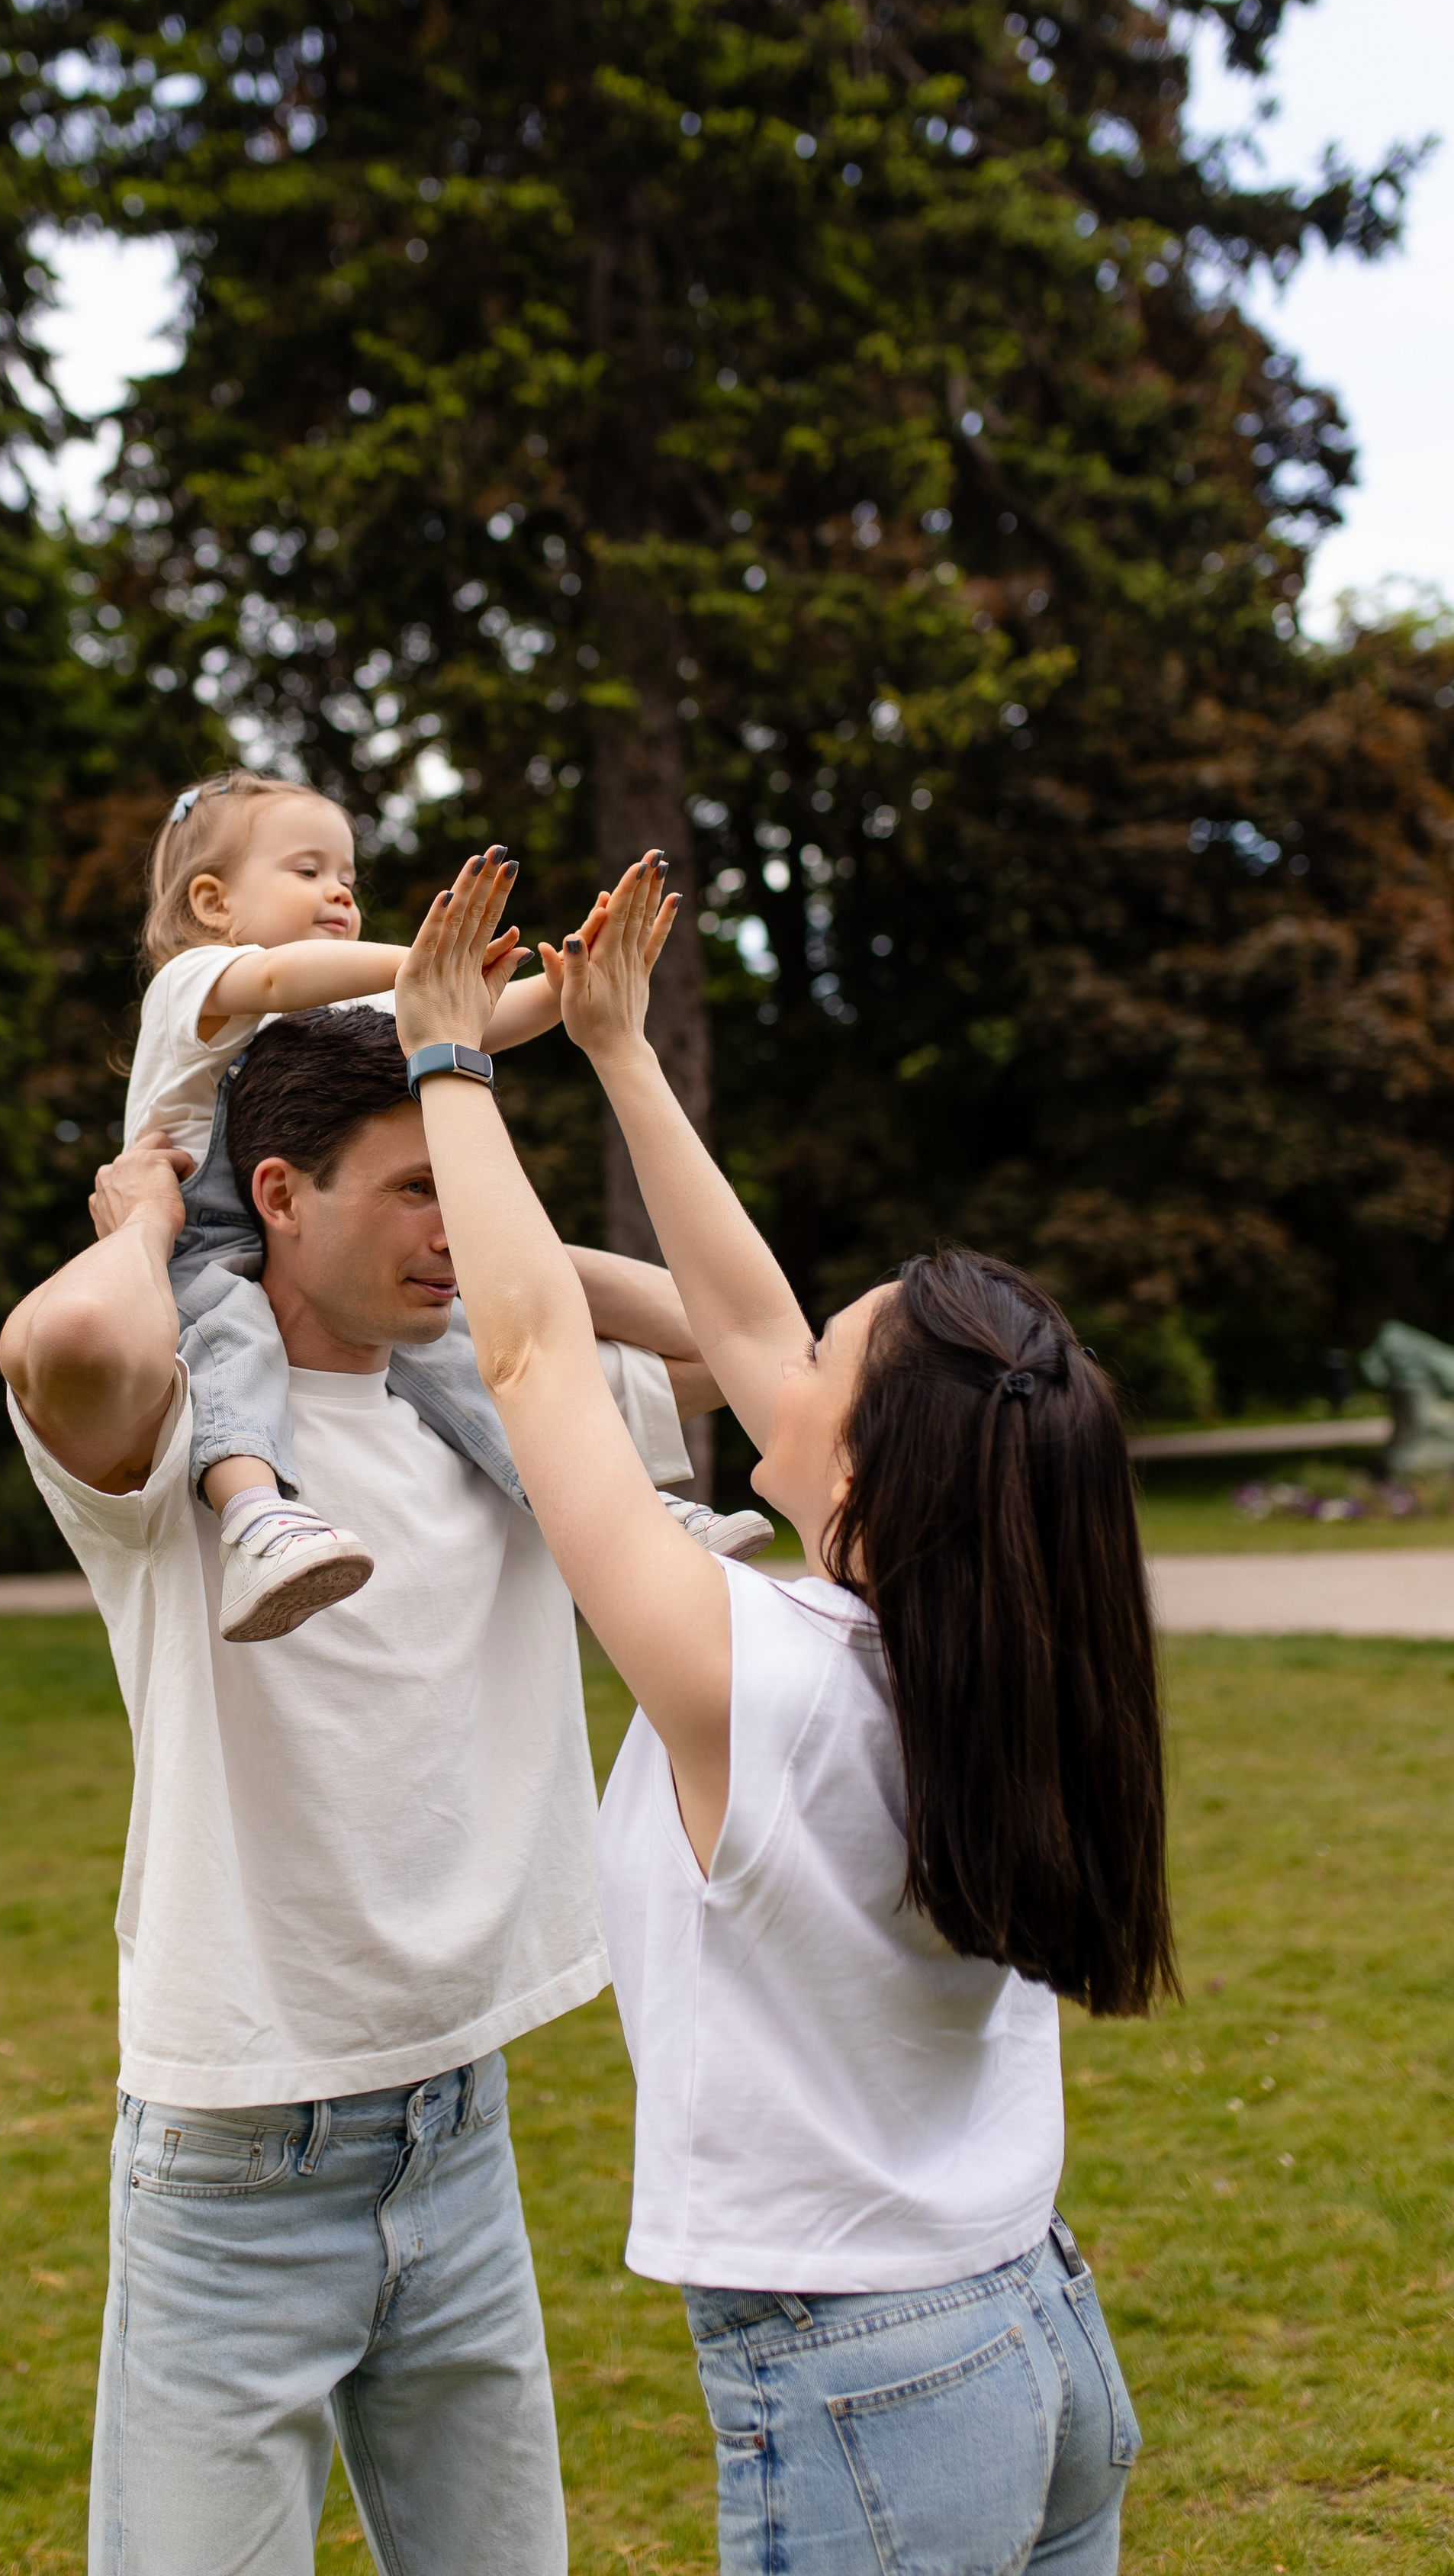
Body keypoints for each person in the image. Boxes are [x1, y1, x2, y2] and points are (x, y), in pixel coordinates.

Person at [391, 851, 1178, 2576]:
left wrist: (446, 1058)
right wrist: (615, 1047)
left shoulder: (762, 1681)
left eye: (830, 1359)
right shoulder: (989, 1652)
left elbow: (528, 1365)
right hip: (1027, 2331)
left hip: (869, 2384)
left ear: (874, 1465)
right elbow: (745, 1313)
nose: (781, 1353)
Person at [0, 982, 722, 2576]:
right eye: (412, 1191)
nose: (449, 1232)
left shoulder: (504, 1408)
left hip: (459, 2133)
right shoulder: (183, 1442)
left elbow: (726, 1339)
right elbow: (66, 1343)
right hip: (234, 2160)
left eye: (459, 1192)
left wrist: (491, 1214)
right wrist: (152, 1220)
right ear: (277, 1195)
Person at [125, 769, 770, 1639]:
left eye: (348, 876)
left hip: (339, 1252)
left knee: (476, 1362)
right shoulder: (196, 984)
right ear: (212, 902)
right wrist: (438, 968)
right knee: (232, 1346)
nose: (340, 892)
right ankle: (257, 1522)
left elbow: (478, 1021)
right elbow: (279, 980)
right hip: (205, 1247)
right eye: (308, 870)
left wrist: (571, 978)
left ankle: (625, 1509)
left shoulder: (352, 1005)